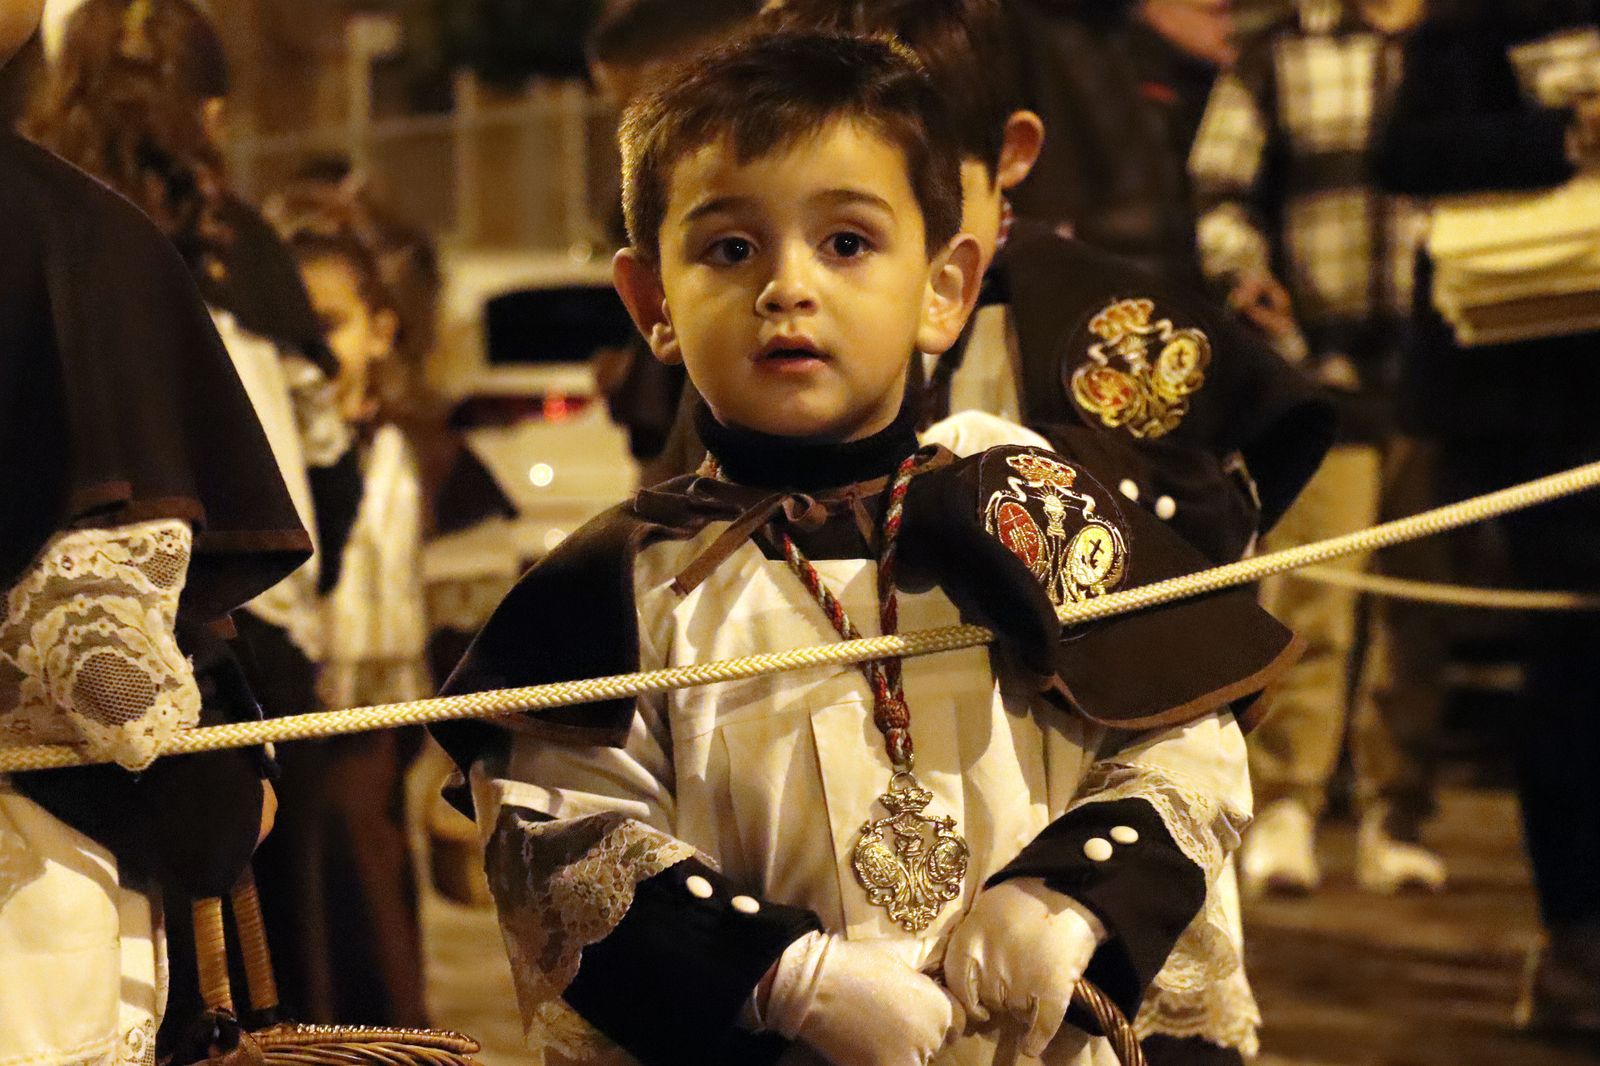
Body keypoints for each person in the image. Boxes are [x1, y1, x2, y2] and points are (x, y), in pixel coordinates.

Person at [433, 30, 1303, 1066]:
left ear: (944, 288)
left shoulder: (1036, 513)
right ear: (652, 304)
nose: (786, 288)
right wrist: (778, 976)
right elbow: (562, 841)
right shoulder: (616, 589)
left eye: (846, 243)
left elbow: (1186, 741)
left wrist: (1069, 894)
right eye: (730, 250)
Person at [21, 0, 365, 1030]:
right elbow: (326, 453)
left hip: (105, 666)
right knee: (264, 952)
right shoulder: (131, 237)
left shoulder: (59, 217)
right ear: (209, 111)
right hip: (213, 630)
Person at [1187, 0, 1451, 897]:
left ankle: (1393, 812)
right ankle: (1287, 804)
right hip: (1323, 367)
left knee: (1419, 611)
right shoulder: (1283, 49)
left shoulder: (1453, 39)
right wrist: (1247, 280)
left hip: (1440, 370)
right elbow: (1218, 185)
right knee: (1315, 597)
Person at [1371, 0, 1600, 1032]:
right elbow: (1406, 152)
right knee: (1575, 658)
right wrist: (1567, 133)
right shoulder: (1474, 18)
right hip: (1534, 384)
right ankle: (1578, 938)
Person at [263, 210, 434, 1025]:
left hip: (380, 720)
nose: (311, 353)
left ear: (380, 329)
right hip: (291, 713)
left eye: (328, 325)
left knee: (372, 900)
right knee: (301, 917)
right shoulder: (267, 450)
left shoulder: (419, 446)